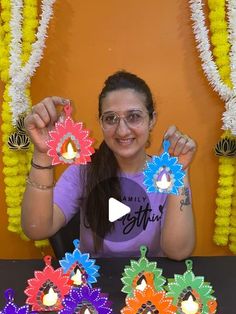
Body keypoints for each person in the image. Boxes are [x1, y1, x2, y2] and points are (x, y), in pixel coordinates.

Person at [22, 70, 196, 260]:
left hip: (150, 283)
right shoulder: (83, 171)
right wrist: (43, 154)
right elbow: (36, 229)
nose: (122, 130)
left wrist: (180, 170)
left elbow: (178, 252)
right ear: (101, 123)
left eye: (134, 116)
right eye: (111, 118)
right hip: (94, 283)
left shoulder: (166, 175)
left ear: (152, 119)